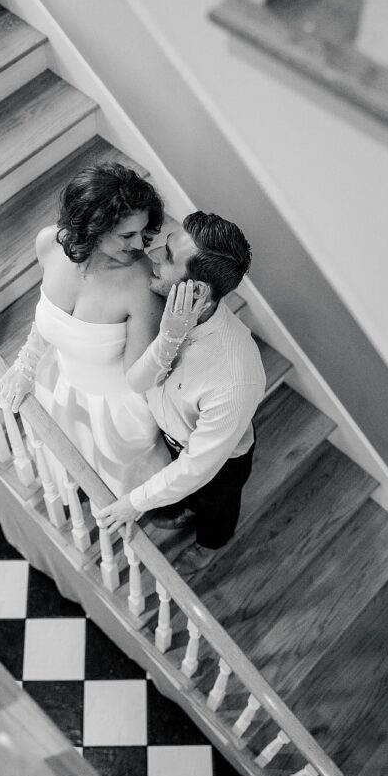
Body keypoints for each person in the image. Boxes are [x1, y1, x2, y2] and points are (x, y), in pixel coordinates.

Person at [97, 211, 266, 575]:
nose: (152, 254)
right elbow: (138, 382)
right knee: (184, 489)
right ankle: (183, 506)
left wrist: (133, 504)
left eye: (168, 256)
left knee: (217, 506)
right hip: (173, 435)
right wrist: (168, 338)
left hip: (220, 462)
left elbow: (198, 466)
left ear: (199, 291)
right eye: (165, 243)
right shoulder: (174, 314)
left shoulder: (236, 378)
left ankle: (212, 544)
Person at [0, 163, 171, 497]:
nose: (139, 244)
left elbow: (141, 375)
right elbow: (46, 317)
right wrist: (25, 364)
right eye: (127, 235)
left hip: (116, 412)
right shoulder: (49, 243)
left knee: (117, 482)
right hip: (60, 382)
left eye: (143, 232)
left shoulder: (142, 284)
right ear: (94, 225)